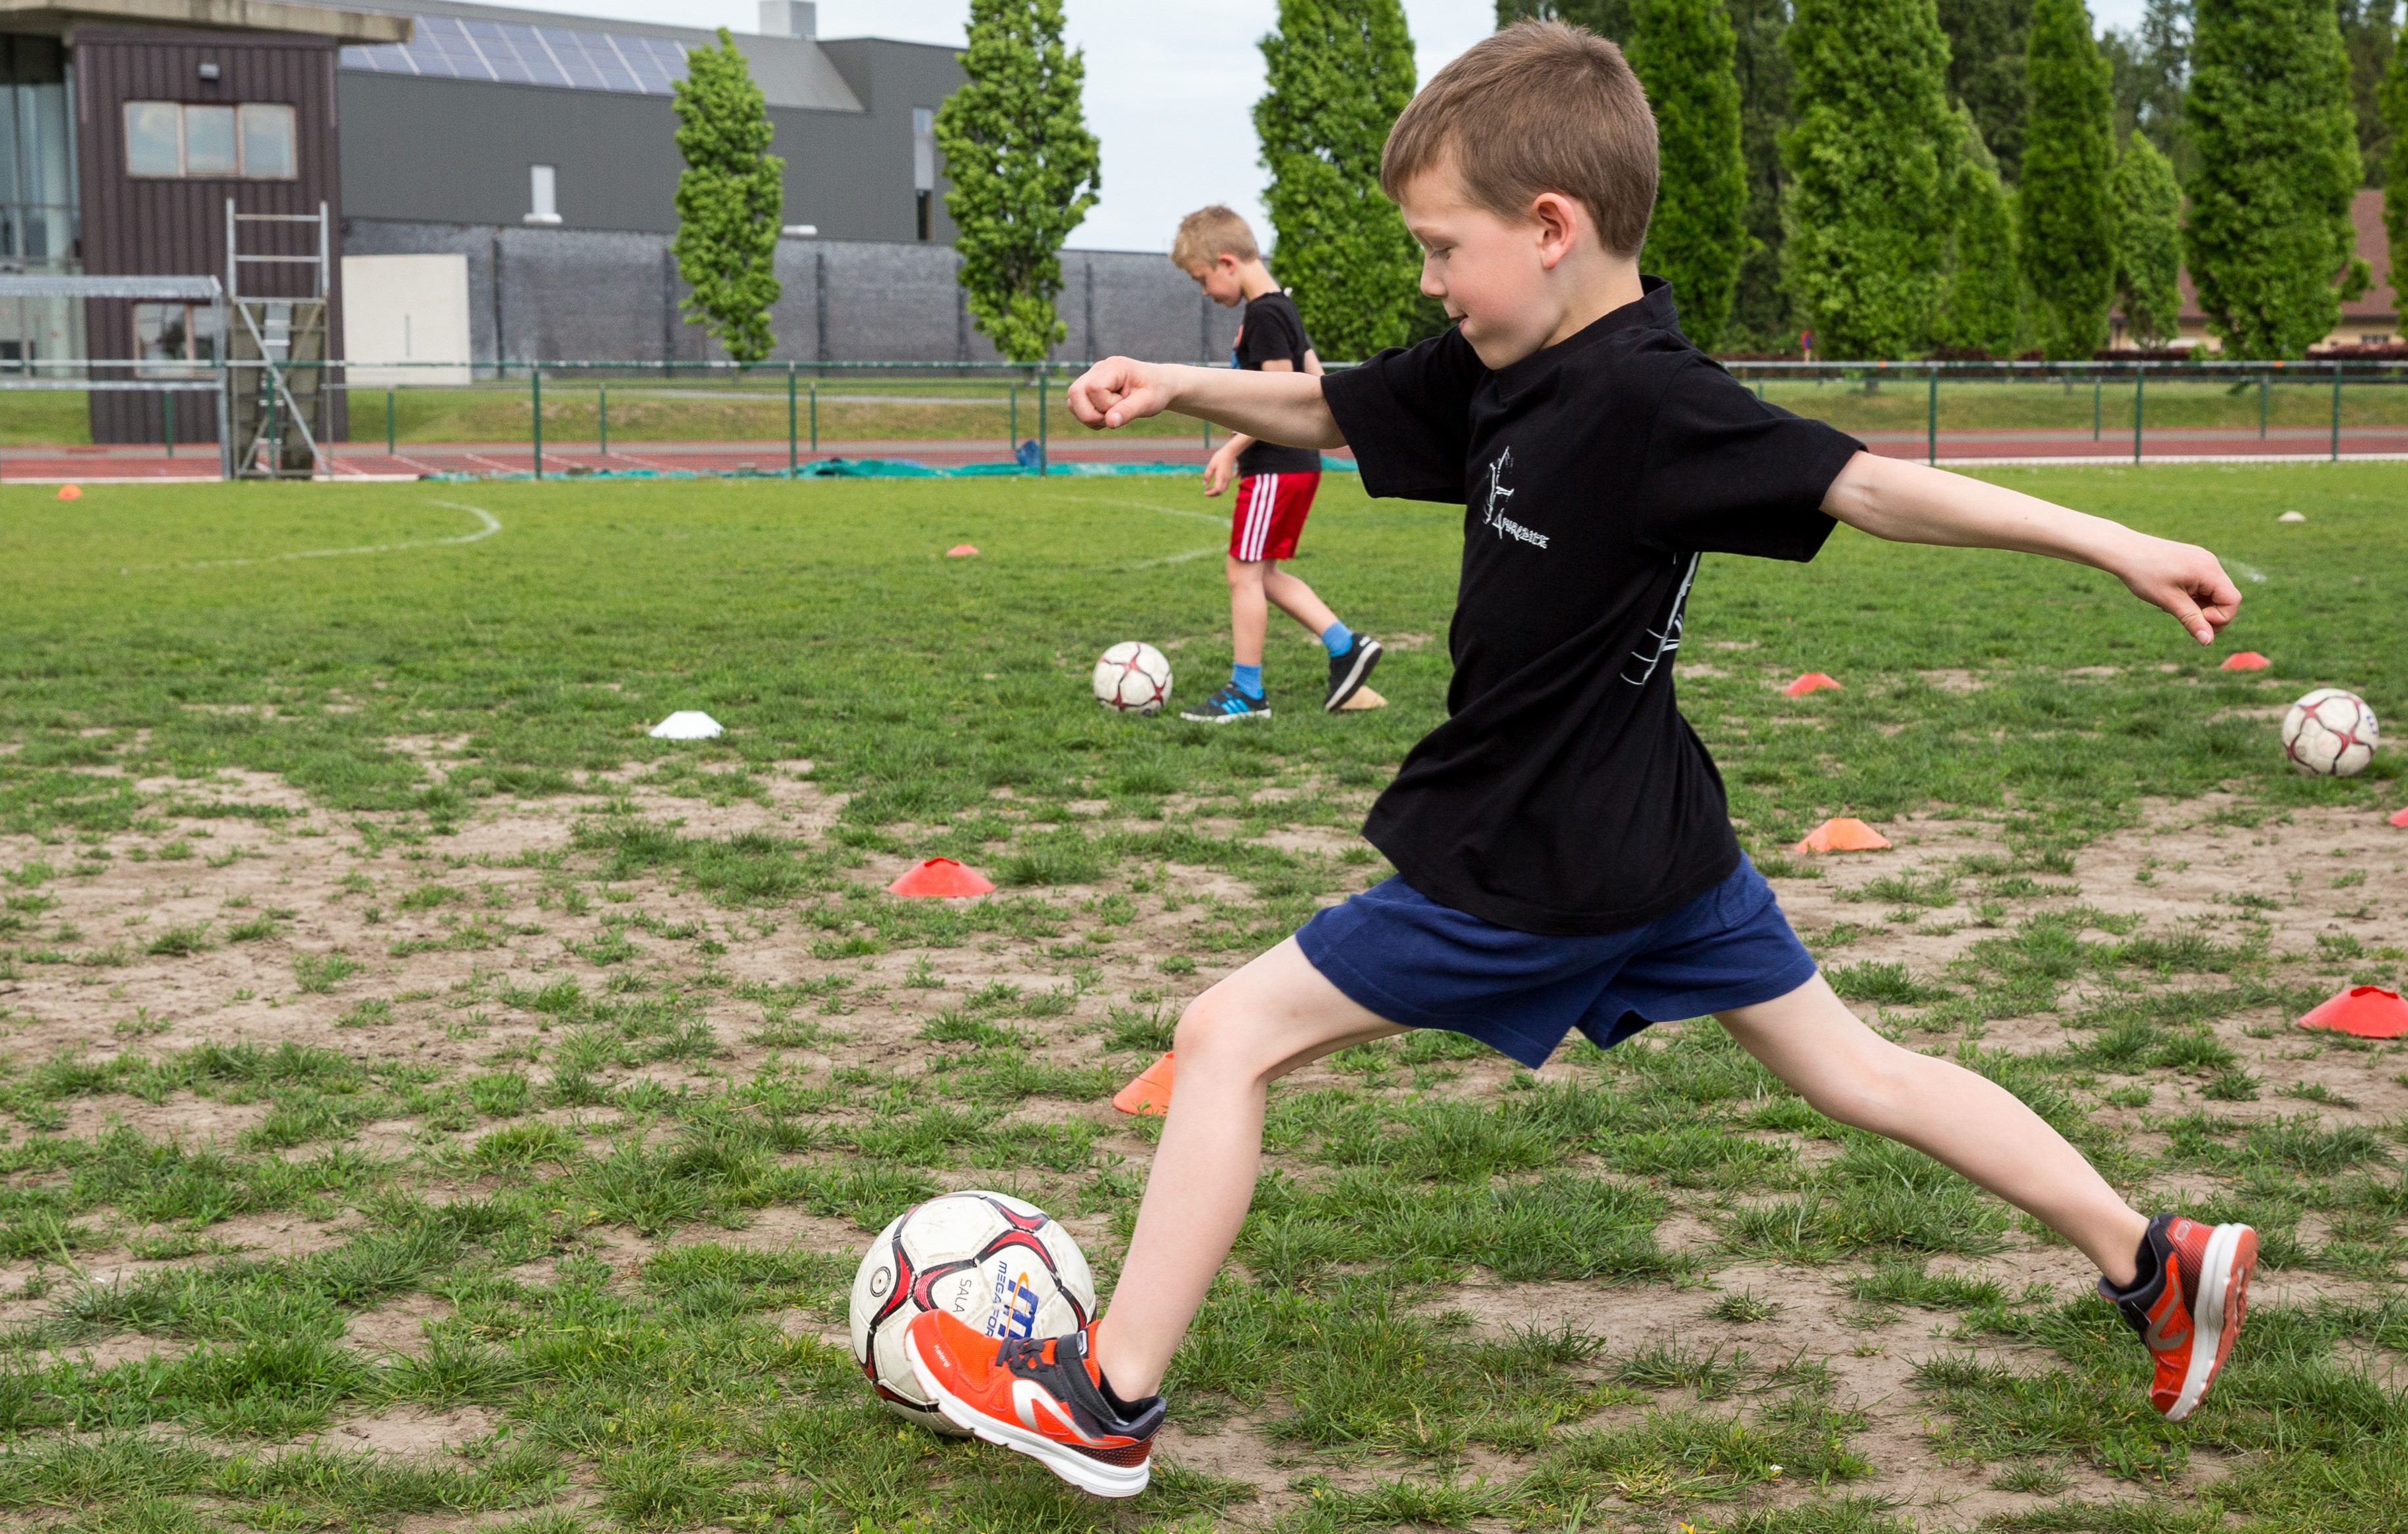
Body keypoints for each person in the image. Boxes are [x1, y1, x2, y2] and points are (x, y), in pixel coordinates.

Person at [905, 22, 2255, 1500]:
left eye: (1443, 248)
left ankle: (1107, 1400)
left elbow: (1869, 486)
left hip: (1541, 851)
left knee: (1226, 1034)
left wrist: (2115, 541)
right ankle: (2155, 1261)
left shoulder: (1649, 399)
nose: (1431, 281)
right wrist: (1175, 382)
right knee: (1858, 1069)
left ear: (1551, 228)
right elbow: (1341, 404)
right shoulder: (1505, 358)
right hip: (1660, 835)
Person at [1170, 205, 1384, 721]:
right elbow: (1317, 382)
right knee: (1262, 573)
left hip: (1275, 466)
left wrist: (1228, 449)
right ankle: (1346, 646)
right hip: (1295, 464)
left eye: (1202, 279)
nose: (1205, 292)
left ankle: (1247, 692)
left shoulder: (1265, 314)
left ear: (1227, 263)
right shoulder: (1282, 307)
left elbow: (1282, 396)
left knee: (1241, 572)